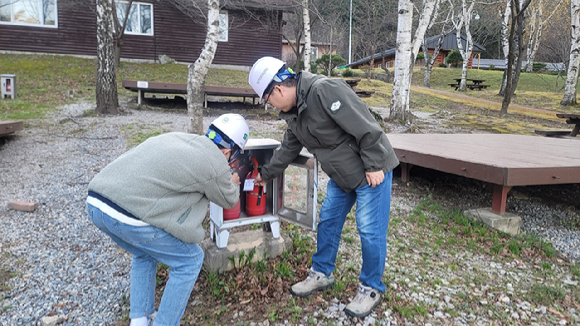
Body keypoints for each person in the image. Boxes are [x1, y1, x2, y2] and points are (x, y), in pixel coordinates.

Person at [248, 57, 399, 318]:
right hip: (342, 176)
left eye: (267, 99)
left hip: (370, 170)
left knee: (369, 230)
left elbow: (366, 125)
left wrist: (375, 164)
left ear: (279, 89)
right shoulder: (294, 114)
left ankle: (371, 288)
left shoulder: (324, 90)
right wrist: (266, 174)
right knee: (328, 221)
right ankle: (321, 273)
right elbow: (288, 149)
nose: (270, 105)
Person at [86, 114, 249, 326]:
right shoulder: (215, 162)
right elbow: (229, 199)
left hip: (96, 203)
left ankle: (139, 320)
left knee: (144, 252)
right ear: (229, 151)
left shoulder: (181, 138)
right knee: (190, 260)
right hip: (128, 215)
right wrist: (234, 180)